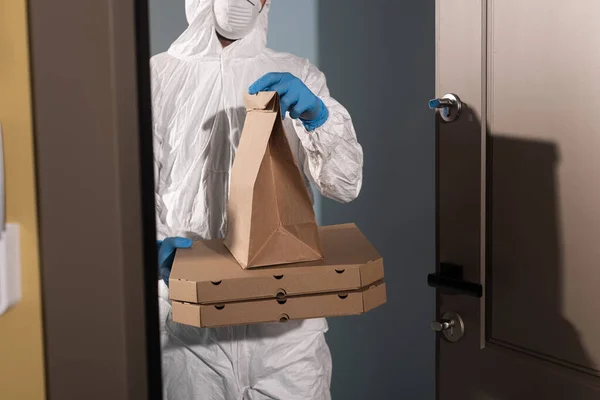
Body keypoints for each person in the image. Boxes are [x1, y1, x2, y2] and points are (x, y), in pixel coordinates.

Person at [153, 0, 363, 398]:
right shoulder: (156, 78)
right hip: (190, 328)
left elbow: (345, 184)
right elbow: (130, 190)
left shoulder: (297, 74)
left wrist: (318, 117)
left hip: (284, 331)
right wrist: (150, 252)